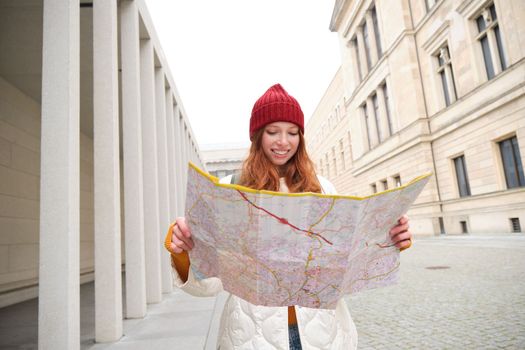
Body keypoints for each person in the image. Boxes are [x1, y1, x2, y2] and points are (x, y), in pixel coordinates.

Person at [164, 83, 412, 350]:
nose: (283, 141)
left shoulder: (323, 189)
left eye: (292, 132)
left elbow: (346, 264)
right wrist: (182, 255)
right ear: (257, 136)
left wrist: (385, 239)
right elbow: (208, 286)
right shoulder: (229, 190)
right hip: (251, 337)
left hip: (322, 334)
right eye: (273, 132)